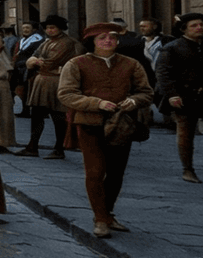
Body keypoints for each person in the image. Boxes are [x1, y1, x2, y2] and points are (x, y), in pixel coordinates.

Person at [58, 22, 154, 238]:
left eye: (112, 37)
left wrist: (133, 101)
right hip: (90, 124)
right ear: (92, 42)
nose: (108, 41)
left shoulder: (131, 64)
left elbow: (146, 92)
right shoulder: (76, 64)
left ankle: (108, 213)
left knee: (116, 173)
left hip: (122, 125)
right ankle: (100, 218)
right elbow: (66, 94)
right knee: (95, 172)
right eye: (102, 38)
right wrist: (96, 103)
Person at [156, 13, 203, 183]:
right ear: (184, 29)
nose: (199, 28)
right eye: (194, 25)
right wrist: (172, 94)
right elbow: (163, 73)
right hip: (184, 97)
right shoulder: (172, 48)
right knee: (185, 134)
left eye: (202, 25)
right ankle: (187, 169)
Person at [18, 15, 77, 158]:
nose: (50, 30)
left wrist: (36, 62)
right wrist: (35, 61)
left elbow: (51, 61)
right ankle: (32, 146)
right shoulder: (46, 42)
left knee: (57, 115)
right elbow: (31, 58)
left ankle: (59, 148)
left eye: (53, 28)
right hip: (41, 81)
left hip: (56, 81)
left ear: (60, 28)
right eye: (48, 28)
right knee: (36, 114)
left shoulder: (66, 42)